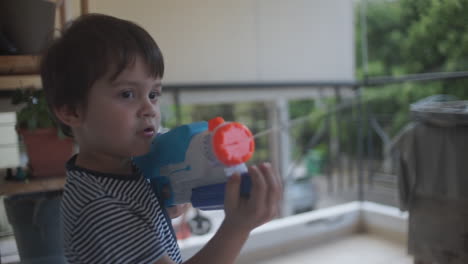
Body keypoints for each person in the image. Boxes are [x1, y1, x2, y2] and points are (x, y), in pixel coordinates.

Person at [40, 13, 282, 264]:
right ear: (71, 111)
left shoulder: (121, 172)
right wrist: (235, 229)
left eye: (154, 94)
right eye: (127, 94)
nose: (149, 109)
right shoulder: (100, 208)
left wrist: (161, 209)